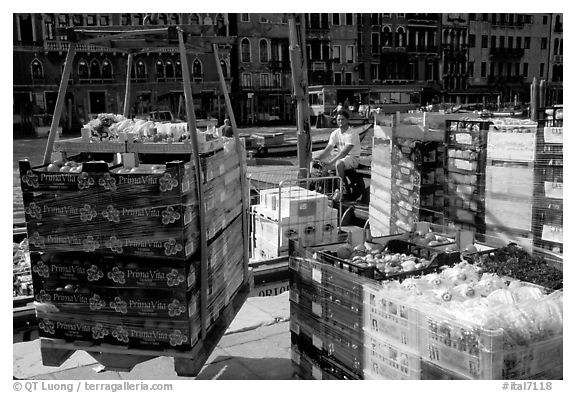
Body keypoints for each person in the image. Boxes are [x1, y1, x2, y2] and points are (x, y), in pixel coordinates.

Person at [313, 110, 361, 199]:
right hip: (341, 157)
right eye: (338, 119)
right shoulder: (335, 133)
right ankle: (322, 188)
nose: (340, 122)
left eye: (342, 119)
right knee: (321, 163)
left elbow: (344, 152)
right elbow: (328, 149)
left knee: (338, 163)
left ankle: (340, 191)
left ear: (347, 120)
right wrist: (317, 158)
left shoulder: (352, 134)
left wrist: (331, 162)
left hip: (353, 158)